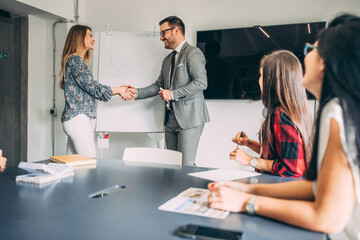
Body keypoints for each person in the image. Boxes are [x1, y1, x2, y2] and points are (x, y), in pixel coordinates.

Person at [208, 14, 360, 240]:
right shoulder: (336, 109)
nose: (303, 58)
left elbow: (327, 218)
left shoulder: (336, 113)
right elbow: (313, 187)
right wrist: (245, 188)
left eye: (311, 50)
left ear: (326, 62)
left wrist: (246, 202)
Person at [126, 16, 210, 166]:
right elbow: (159, 85)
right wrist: (137, 93)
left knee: (185, 165)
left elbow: (201, 83)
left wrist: (172, 94)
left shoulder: (193, 53)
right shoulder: (167, 60)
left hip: (190, 118)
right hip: (170, 119)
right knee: (172, 164)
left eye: (163, 33)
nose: (161, 37)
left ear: (176, 30)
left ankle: (189, 189)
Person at [230, 50, 312, 177]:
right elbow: (282, 155)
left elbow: (292, 169)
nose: (259, 80)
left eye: (262, 75)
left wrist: (250, 161)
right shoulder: (295, 111)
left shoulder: (281, 116)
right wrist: (248, 143)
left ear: (272, 81)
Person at [60, 25, 134, 157]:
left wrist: (118, 90)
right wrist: (119, 90)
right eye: (90, 35)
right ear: (79, 37)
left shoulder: (76, 61)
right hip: (78, 120)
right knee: (90, 164)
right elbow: (94, 88)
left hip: (77, 119)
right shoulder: (75, 60)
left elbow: (91, 88)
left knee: (73, 166)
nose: (93, 39)